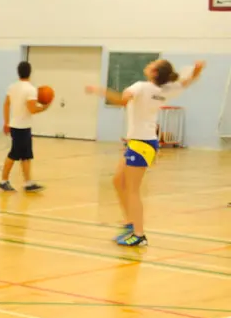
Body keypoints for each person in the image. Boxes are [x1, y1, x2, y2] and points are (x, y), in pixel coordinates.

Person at [86, 59, 205, 246]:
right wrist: (197, 71)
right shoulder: (164, 90)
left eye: (153, 64)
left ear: (155, 73)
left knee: (132, 190)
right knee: (118, 181)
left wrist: (100, 91)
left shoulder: (140, 87)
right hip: (140, 143)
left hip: (142, 143)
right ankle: (130, 222)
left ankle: (139, 234)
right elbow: (186, 82)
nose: (149, 64)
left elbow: (121, 100)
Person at [0, 61, 49, 192]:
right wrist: (45, 107)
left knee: (26, 155)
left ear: (18, 72)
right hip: (21, 127)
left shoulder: (12, 87)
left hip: (18, 126)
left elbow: (6, 104)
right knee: (14, 154)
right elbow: (32, 109)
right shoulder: (31, 89)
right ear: (30, 72)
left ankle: (28, 182)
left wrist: (6, 122)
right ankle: (3, 180)